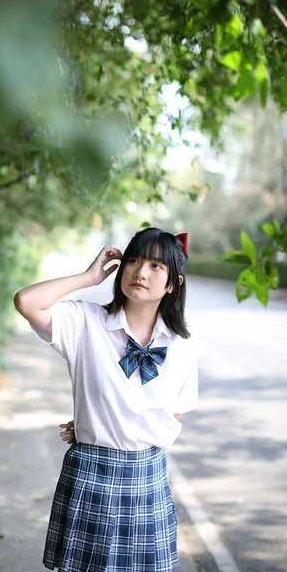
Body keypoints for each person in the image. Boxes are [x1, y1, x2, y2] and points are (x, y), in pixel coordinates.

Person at [13, 227, 198, 572]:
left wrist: (112, 419)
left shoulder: (181, 347)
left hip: (148, 479)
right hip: (91, 474)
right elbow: (26, 302)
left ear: (173, 284)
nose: (141, 271)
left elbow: (172, 416)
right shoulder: (86, 322)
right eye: (134, 260)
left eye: (156, 266)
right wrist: (88, 277)